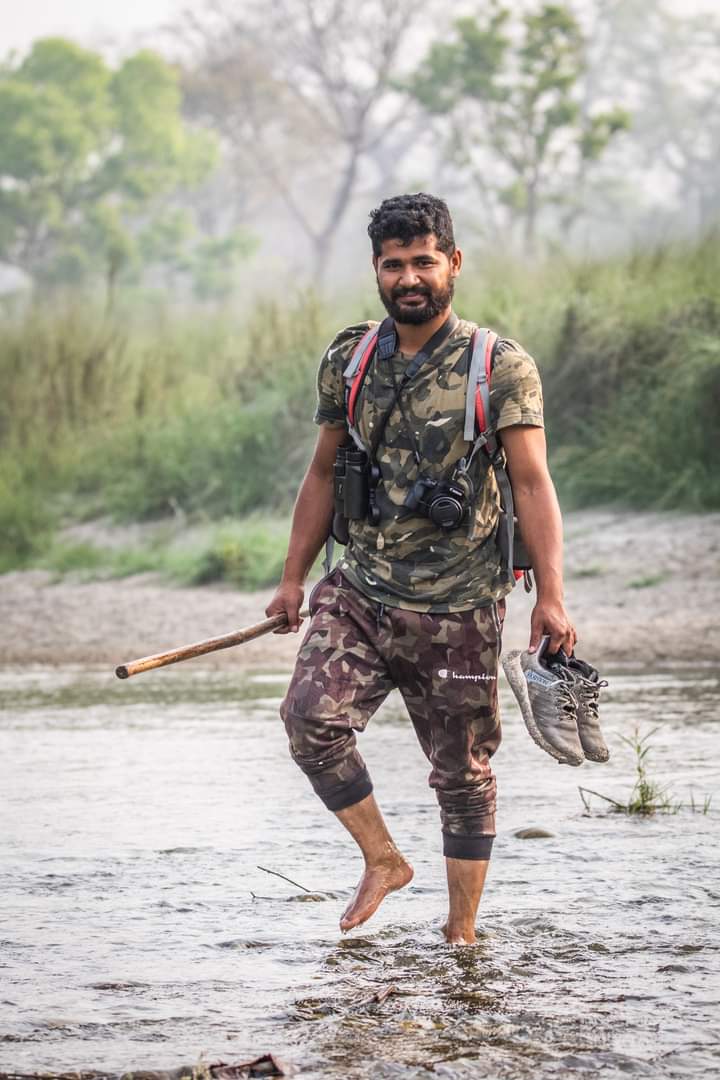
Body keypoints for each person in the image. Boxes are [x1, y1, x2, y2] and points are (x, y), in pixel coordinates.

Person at [265, 193, 576, 944]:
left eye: (424, 261)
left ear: (453, 264)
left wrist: (553, 600)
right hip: (361, 591)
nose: (410, 277)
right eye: (394, 264)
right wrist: (291, 579)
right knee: (310, 721)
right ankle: (383, 860)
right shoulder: (351, 357)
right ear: (377, 269)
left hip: (461, 606)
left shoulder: (498, 366)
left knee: (462, 776)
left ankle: (461, 938)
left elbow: (533, 484)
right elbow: (320, 472)